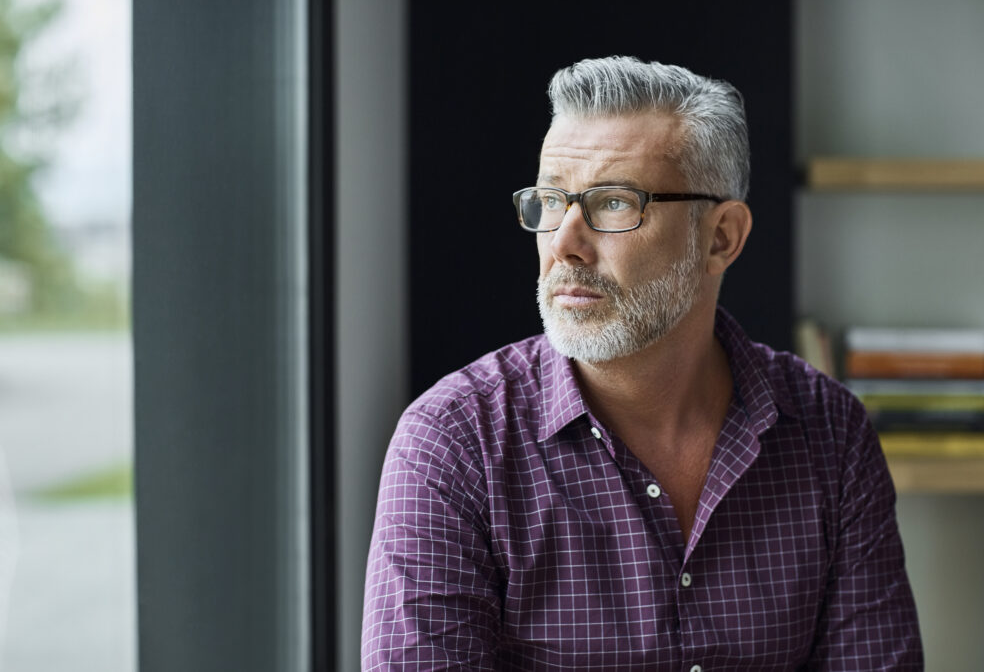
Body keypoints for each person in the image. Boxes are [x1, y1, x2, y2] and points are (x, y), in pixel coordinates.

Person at [362, 55, 922, 670]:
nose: (565, 244)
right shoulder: (452, 443)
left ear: (721, 238)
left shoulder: (829, 433)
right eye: (551, 202)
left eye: (612, 204)